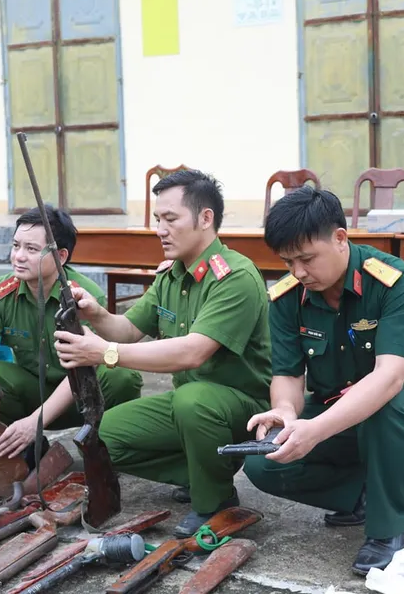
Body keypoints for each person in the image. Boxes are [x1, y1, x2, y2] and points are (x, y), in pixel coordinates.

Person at [242, 186, 404, 575]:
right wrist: (286, 413)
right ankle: (363, 493)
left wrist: (315, 430)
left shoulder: (395, 281)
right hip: (336, 409)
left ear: (340, 238)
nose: (298, 272)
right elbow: (288, 373)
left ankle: (388, 530)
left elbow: (389, 379)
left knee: (390, 407)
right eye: (288, 262)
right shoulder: (288, 296)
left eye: (306, 259)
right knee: (263, 464)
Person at [52, 169, 272, 538]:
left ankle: (214, 500)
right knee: (102, 440)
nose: (160, 229)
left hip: (245, 411)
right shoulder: (171, 276)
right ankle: (203, 474)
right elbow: (128, 330)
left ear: (205, 219)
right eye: (157, 219)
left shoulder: (235, 276)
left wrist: (104, 353)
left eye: (170, 219)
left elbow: (192, 353)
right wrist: (95, 313)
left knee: (193, 400)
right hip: (189, 407)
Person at [0, 205, 143, 464]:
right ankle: (29, 450)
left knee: (121, 375)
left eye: (31, 249)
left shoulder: (83, 296)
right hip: (35, 394)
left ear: (61, 256)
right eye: (16, 245)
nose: (18, 256)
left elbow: (85, 369)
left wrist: (36, 422)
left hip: (86, 399)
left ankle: (107, 447)